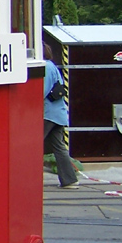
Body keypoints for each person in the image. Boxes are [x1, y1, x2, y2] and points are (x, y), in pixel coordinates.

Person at [43, 42, 78, 189]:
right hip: (58, 113)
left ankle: (24, 178)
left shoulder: (44, 67)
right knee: (59, 147)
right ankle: (70, 180)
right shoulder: (53, 66)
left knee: (31, 145)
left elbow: (41, 91)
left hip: (47, 113)